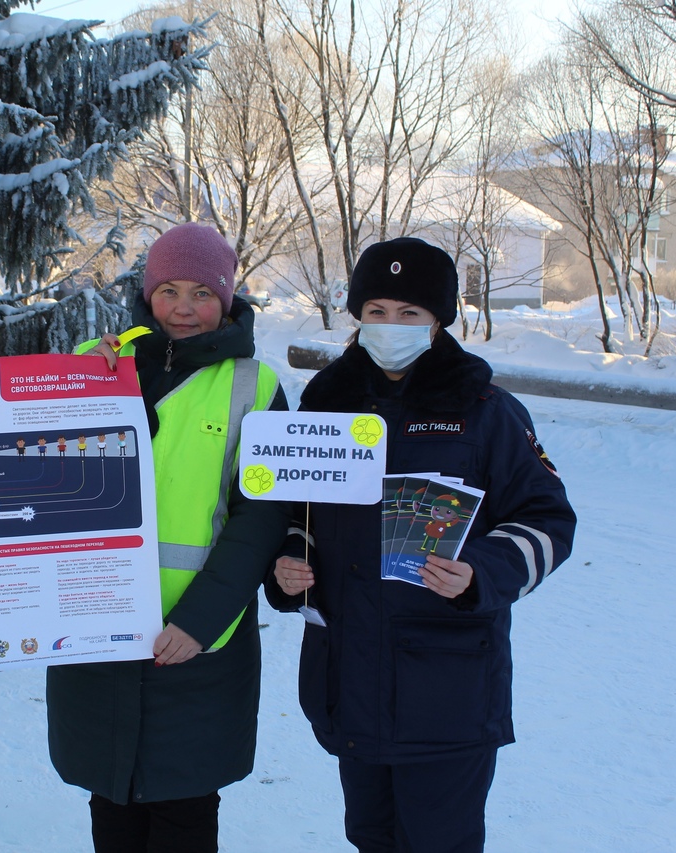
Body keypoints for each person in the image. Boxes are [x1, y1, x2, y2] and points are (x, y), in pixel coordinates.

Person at [267, 237, 576, 853]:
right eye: (377, 310)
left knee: (438, 841)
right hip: (346, 676)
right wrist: (289, 561)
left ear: (439, 321)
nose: (391, 326)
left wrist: (479, 572)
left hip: (447, 688)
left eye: (410, 313)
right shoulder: (324, 404)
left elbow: (547, 519)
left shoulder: (486, 411)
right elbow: (293, 509)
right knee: (371, 835)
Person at [45, 222, 291, 853]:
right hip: (94, 628)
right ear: (147, 294)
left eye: (203, 293)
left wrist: (200, 622)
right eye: (169, 290)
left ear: (229, 299)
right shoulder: (88, 368)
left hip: (198, 645)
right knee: (112, 802)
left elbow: (259, 519)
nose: (185, 307)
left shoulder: (255, 387)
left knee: (185, 805)